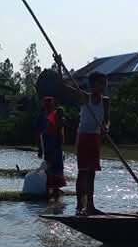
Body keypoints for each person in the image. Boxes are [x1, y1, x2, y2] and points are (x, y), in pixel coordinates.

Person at [68, 71, 109, 215]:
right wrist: (60, 65)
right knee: (82, 172)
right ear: (93, 85)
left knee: (92, 173)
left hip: (95, 137)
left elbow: (107, 120)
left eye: (105, 83)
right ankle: (79, 206)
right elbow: (63, 85)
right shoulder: (85, 97)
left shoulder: (105, 100)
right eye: (101, 83)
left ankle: (90, 205)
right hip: (84, 136)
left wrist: (106, 127)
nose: (103, 86)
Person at [36, 97, 66, 199]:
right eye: (47, 104)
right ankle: (49, 190)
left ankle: (55, 190)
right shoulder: (43, 116)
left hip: (55, 145)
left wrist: (61, 145)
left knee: (55, 167)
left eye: (50, 104)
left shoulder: (56, 115)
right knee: (49, 167)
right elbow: (39, 133)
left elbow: (61, 132)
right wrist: (40, 148)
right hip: (49, 144)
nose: (49, 106)